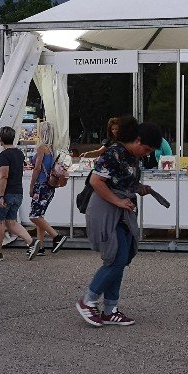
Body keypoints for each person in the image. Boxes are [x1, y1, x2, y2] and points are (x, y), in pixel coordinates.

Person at [75, 117, 160, 328]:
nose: (147, 154)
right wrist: (118, 201)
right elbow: (96, 181)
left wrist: (139, 188)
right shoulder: (113, 153)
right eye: (147, 149)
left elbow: (123, 180)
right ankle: (88, 301)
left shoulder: (131, 157)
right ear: (137, 140)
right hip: (106, 210)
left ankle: (110, 309)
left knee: (122, 258)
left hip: (122, 211)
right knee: (115, 259)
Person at [0, 126, 32, 261]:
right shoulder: (19, 153)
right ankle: (31, 242)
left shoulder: (5, 155)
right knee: (11, 222)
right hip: (18, 192)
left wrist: (0, 195)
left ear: (1, 140)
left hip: (7, 193)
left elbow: (3, 176)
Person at [27, 121, 67, 258]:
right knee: (40, 216)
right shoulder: (52, 150)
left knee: (34, 216)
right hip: (50, 186)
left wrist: (31, 186)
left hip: (41, 185)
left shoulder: (41, 148)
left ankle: (56, 236)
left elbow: (37, 168)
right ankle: (41, 246)